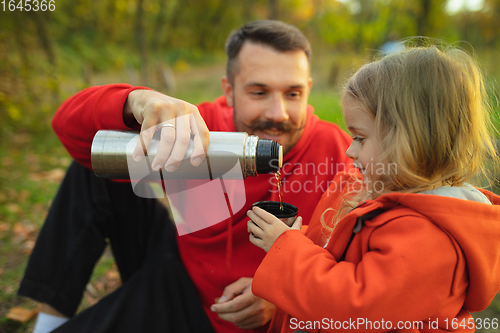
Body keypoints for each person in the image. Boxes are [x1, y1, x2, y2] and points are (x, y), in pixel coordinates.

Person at [19, 20, 354, 333]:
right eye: (259, 92)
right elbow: (71, 132)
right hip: (181, 274)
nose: (277, 113)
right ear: (229, 90)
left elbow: (358, 272)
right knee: (100, 163)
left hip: (253, 317)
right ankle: (47, 322)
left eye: (292, 93)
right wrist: (140, 100)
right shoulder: (201, 130)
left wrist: (284, 294)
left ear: (308, 89)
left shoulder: (341, 155)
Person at [247, 45, 500, 332]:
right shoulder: (391, 202)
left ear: (406, 139)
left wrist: (286, 248)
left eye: (360, 137)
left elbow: (352, 309)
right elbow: (351, 259)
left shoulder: (430, 237)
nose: (349, 149)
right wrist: (296, 237)